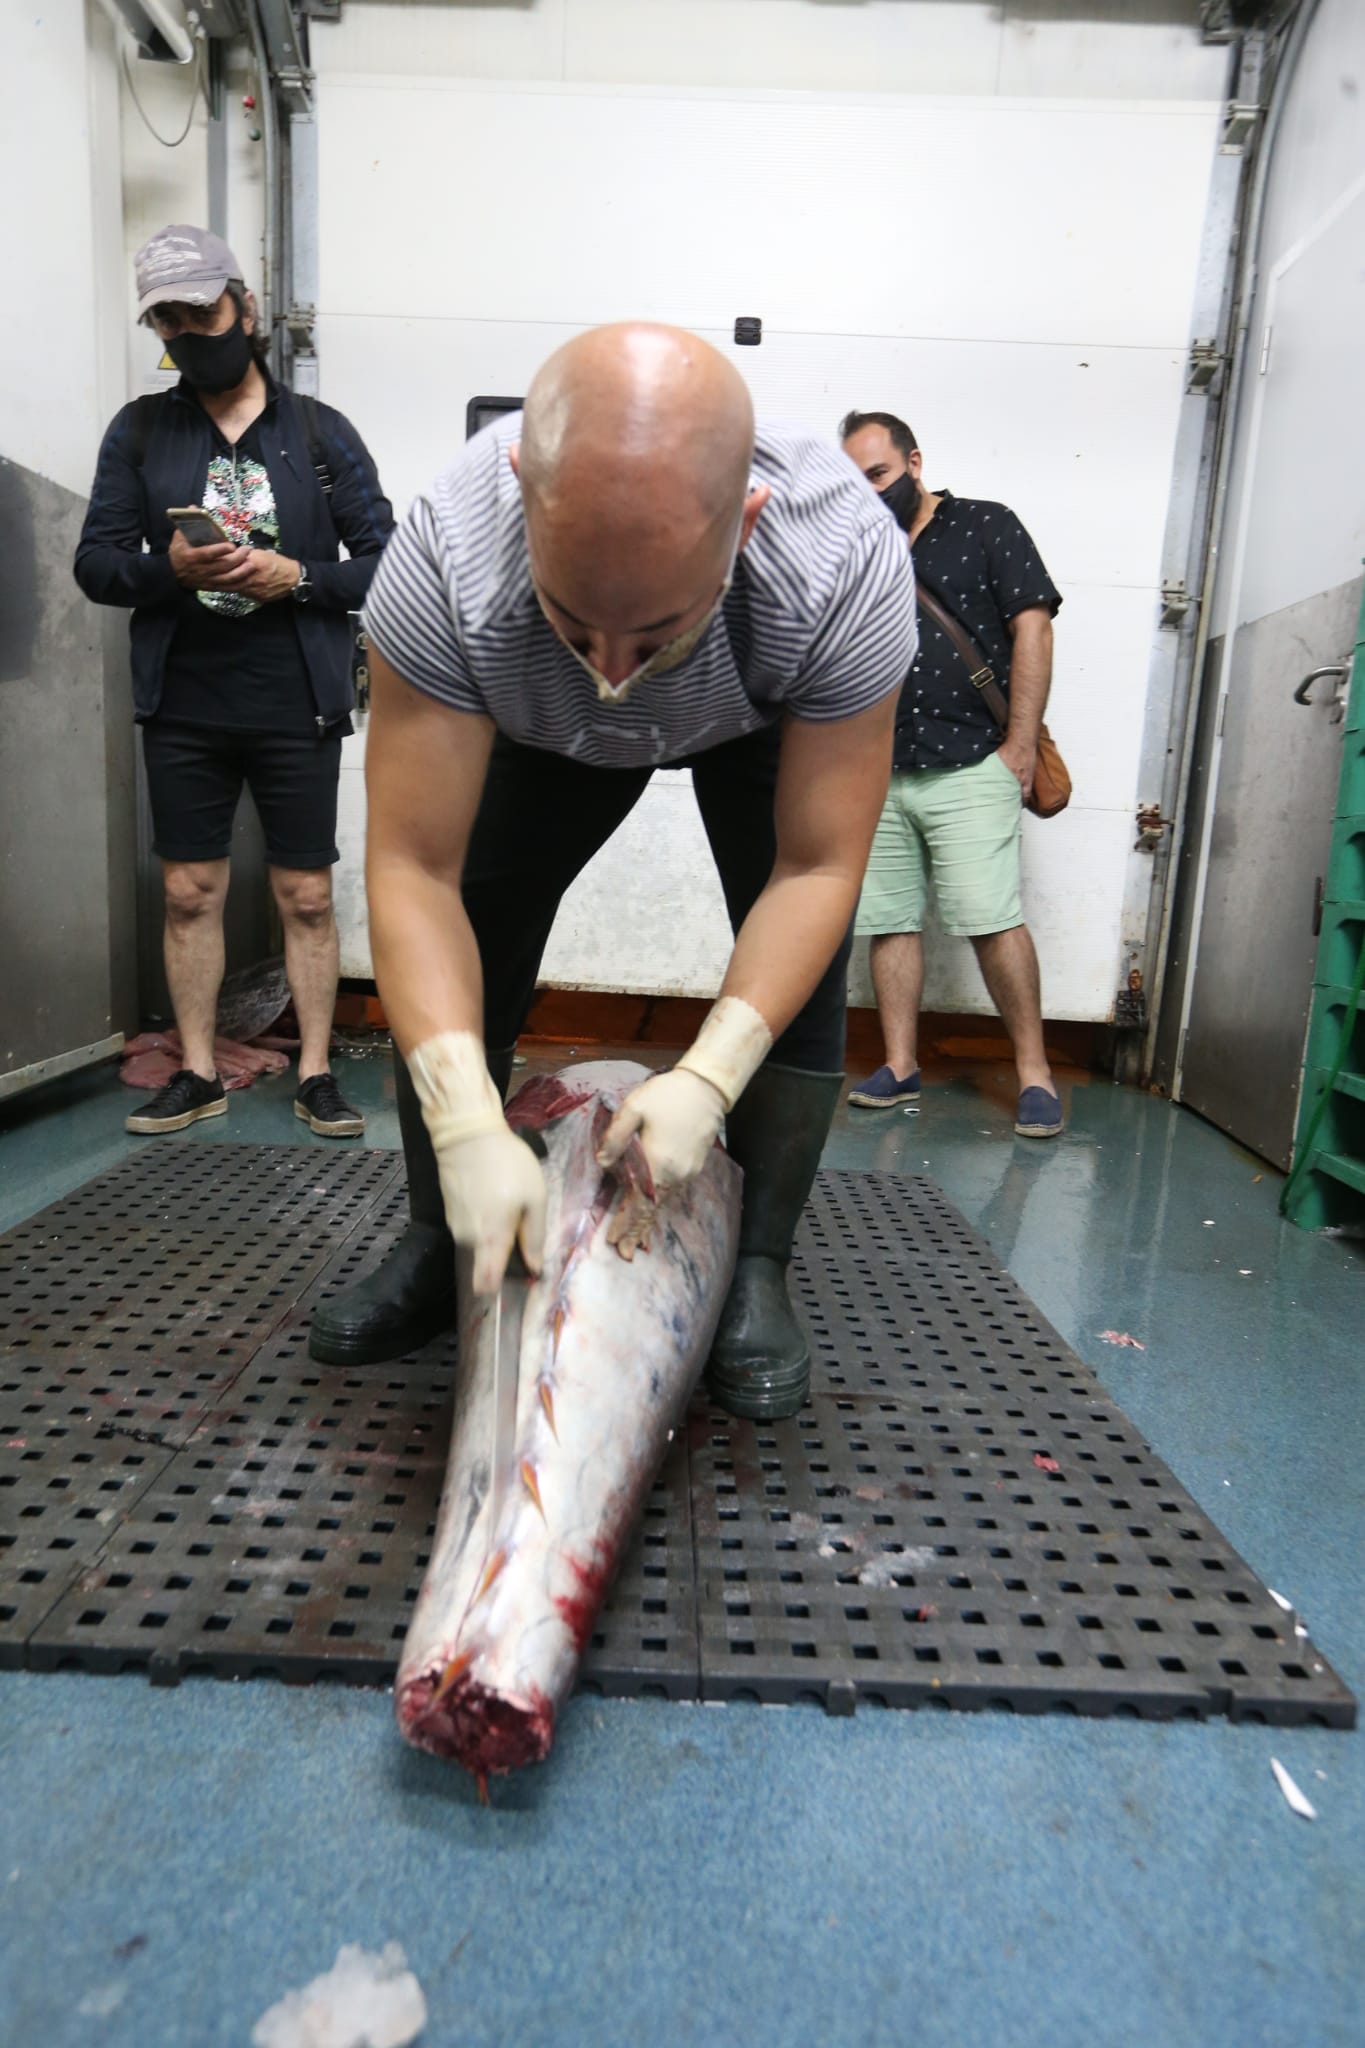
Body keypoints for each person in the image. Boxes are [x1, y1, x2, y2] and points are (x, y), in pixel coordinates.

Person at [308, 324, 916, 1421]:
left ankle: (762, 1264)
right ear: (521, 497)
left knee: (800, 972)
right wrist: (463, 1121)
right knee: (481, 919)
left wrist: (710, 1072)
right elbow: (411, 868)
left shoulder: (843, 560)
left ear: (748, 524)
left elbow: (820, 862)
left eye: (655, 627)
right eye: (577, 617)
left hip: (751, 714)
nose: (617, 670)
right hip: (542, 731)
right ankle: (439, 1232)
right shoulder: (449, 550)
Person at [74, 224, 394, 1138]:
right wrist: (167, 569)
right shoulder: (139, 431)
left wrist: (301, 577)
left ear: (246, 307)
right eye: (167, 320)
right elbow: (95, 565)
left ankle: (321, 1070)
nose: (187, 332)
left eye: (201, 311)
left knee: (304, 893)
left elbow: (389, 561)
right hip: (184, 699)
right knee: (188, 892)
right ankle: (200, 1068)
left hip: (298, 695)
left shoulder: (321, 434)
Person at [838, 409, 1064, 1138]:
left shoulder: (985, 525)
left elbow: (1033, 626)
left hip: (973, 760)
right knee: (888, 921)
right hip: (877, 769)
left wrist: (1020, 747)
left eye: (877, 474)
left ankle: (1034, 1072)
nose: (867, 492)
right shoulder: (852, 545)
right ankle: (900, 1065)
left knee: (991, 920)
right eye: (854, 480)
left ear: (913, 462)